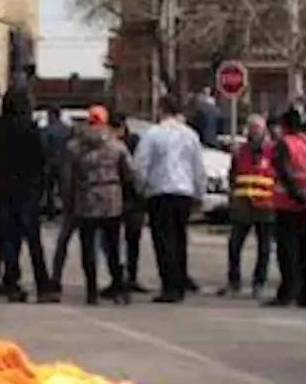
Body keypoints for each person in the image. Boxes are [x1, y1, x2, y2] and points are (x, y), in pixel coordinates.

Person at [0, 88, 59, 303]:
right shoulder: (30, 127)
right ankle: (42, 285)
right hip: (27, 189)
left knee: (9, 239)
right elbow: (41, 158)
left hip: (4, 187)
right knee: (33, 240)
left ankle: (12, 283)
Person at [133, 95, 206, 304]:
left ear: (161, 109)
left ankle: (169, 286)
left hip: (160, 191)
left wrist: (142, 187)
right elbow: (198, 166)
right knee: (180, 238)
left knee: (163, 240)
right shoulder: (190, 135)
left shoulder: (153, 134)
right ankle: (180, 281)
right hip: (183, 191)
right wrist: (199, 193)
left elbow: (141, 164)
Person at [60, 105, 135, 306]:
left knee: (88, 248)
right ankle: (118, 287)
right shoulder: (116, 145)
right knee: (113, 247)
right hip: (112, 199)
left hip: (86, 200)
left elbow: (68, 178)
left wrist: (68, 200)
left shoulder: (74, 147)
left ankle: (91, 291)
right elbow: (129, 173)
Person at [265, 108, 306, 308]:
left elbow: (283, 173)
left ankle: (288, 291)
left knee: (287, 251)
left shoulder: (284, 144)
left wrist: (298, 196)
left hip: (288, 204)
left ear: (284, 126)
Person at [219, 114, 276, 299]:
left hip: (266, 205)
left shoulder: (273, 151)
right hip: (243, 205)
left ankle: (259, 283)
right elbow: (233, 176)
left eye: (257, 128)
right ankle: (233, 282)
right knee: (234, 245)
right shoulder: (240, 152)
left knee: (264, 248)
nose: (254, 132)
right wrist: (232, 198)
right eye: (251, 128)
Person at [105, 113, 149, 296]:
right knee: (116, 241)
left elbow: (137, 171)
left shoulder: (130, 143)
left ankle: (129, 278)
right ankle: (120, 278)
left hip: (130, 198)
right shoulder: (111, 144)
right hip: (122, 198)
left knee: (130, 240)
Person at [40, 106, 72, 221]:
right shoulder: (68, 130)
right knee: (65, 189)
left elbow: (43, 147)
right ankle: (67, 213)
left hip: (50, 163)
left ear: (52, 115)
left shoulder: (46, 130)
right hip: (65, 163)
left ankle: (51, 213)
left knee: (49, 190)